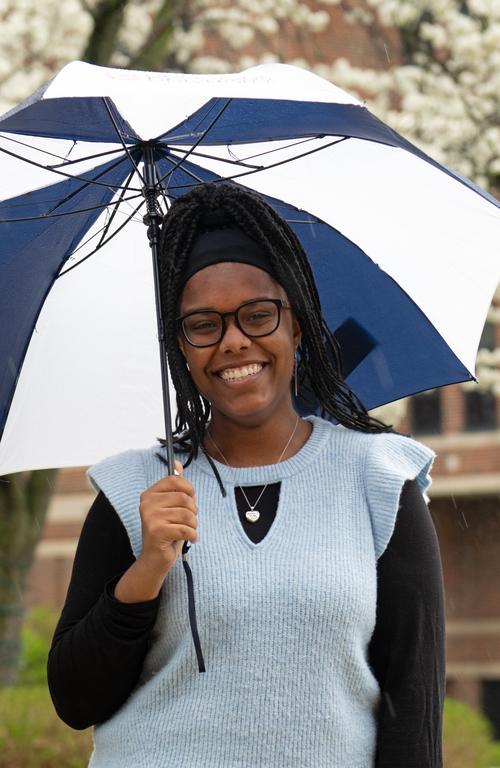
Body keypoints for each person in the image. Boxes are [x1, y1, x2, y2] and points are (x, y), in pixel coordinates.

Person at [48, 182, 445, 768]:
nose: (234, 342)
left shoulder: (379, 479)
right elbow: (75, 698)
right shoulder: (136, 491)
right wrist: (147, 570)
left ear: (298, 325)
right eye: (203, 325)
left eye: (258, 315)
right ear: (180, 348)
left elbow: (414, 708)